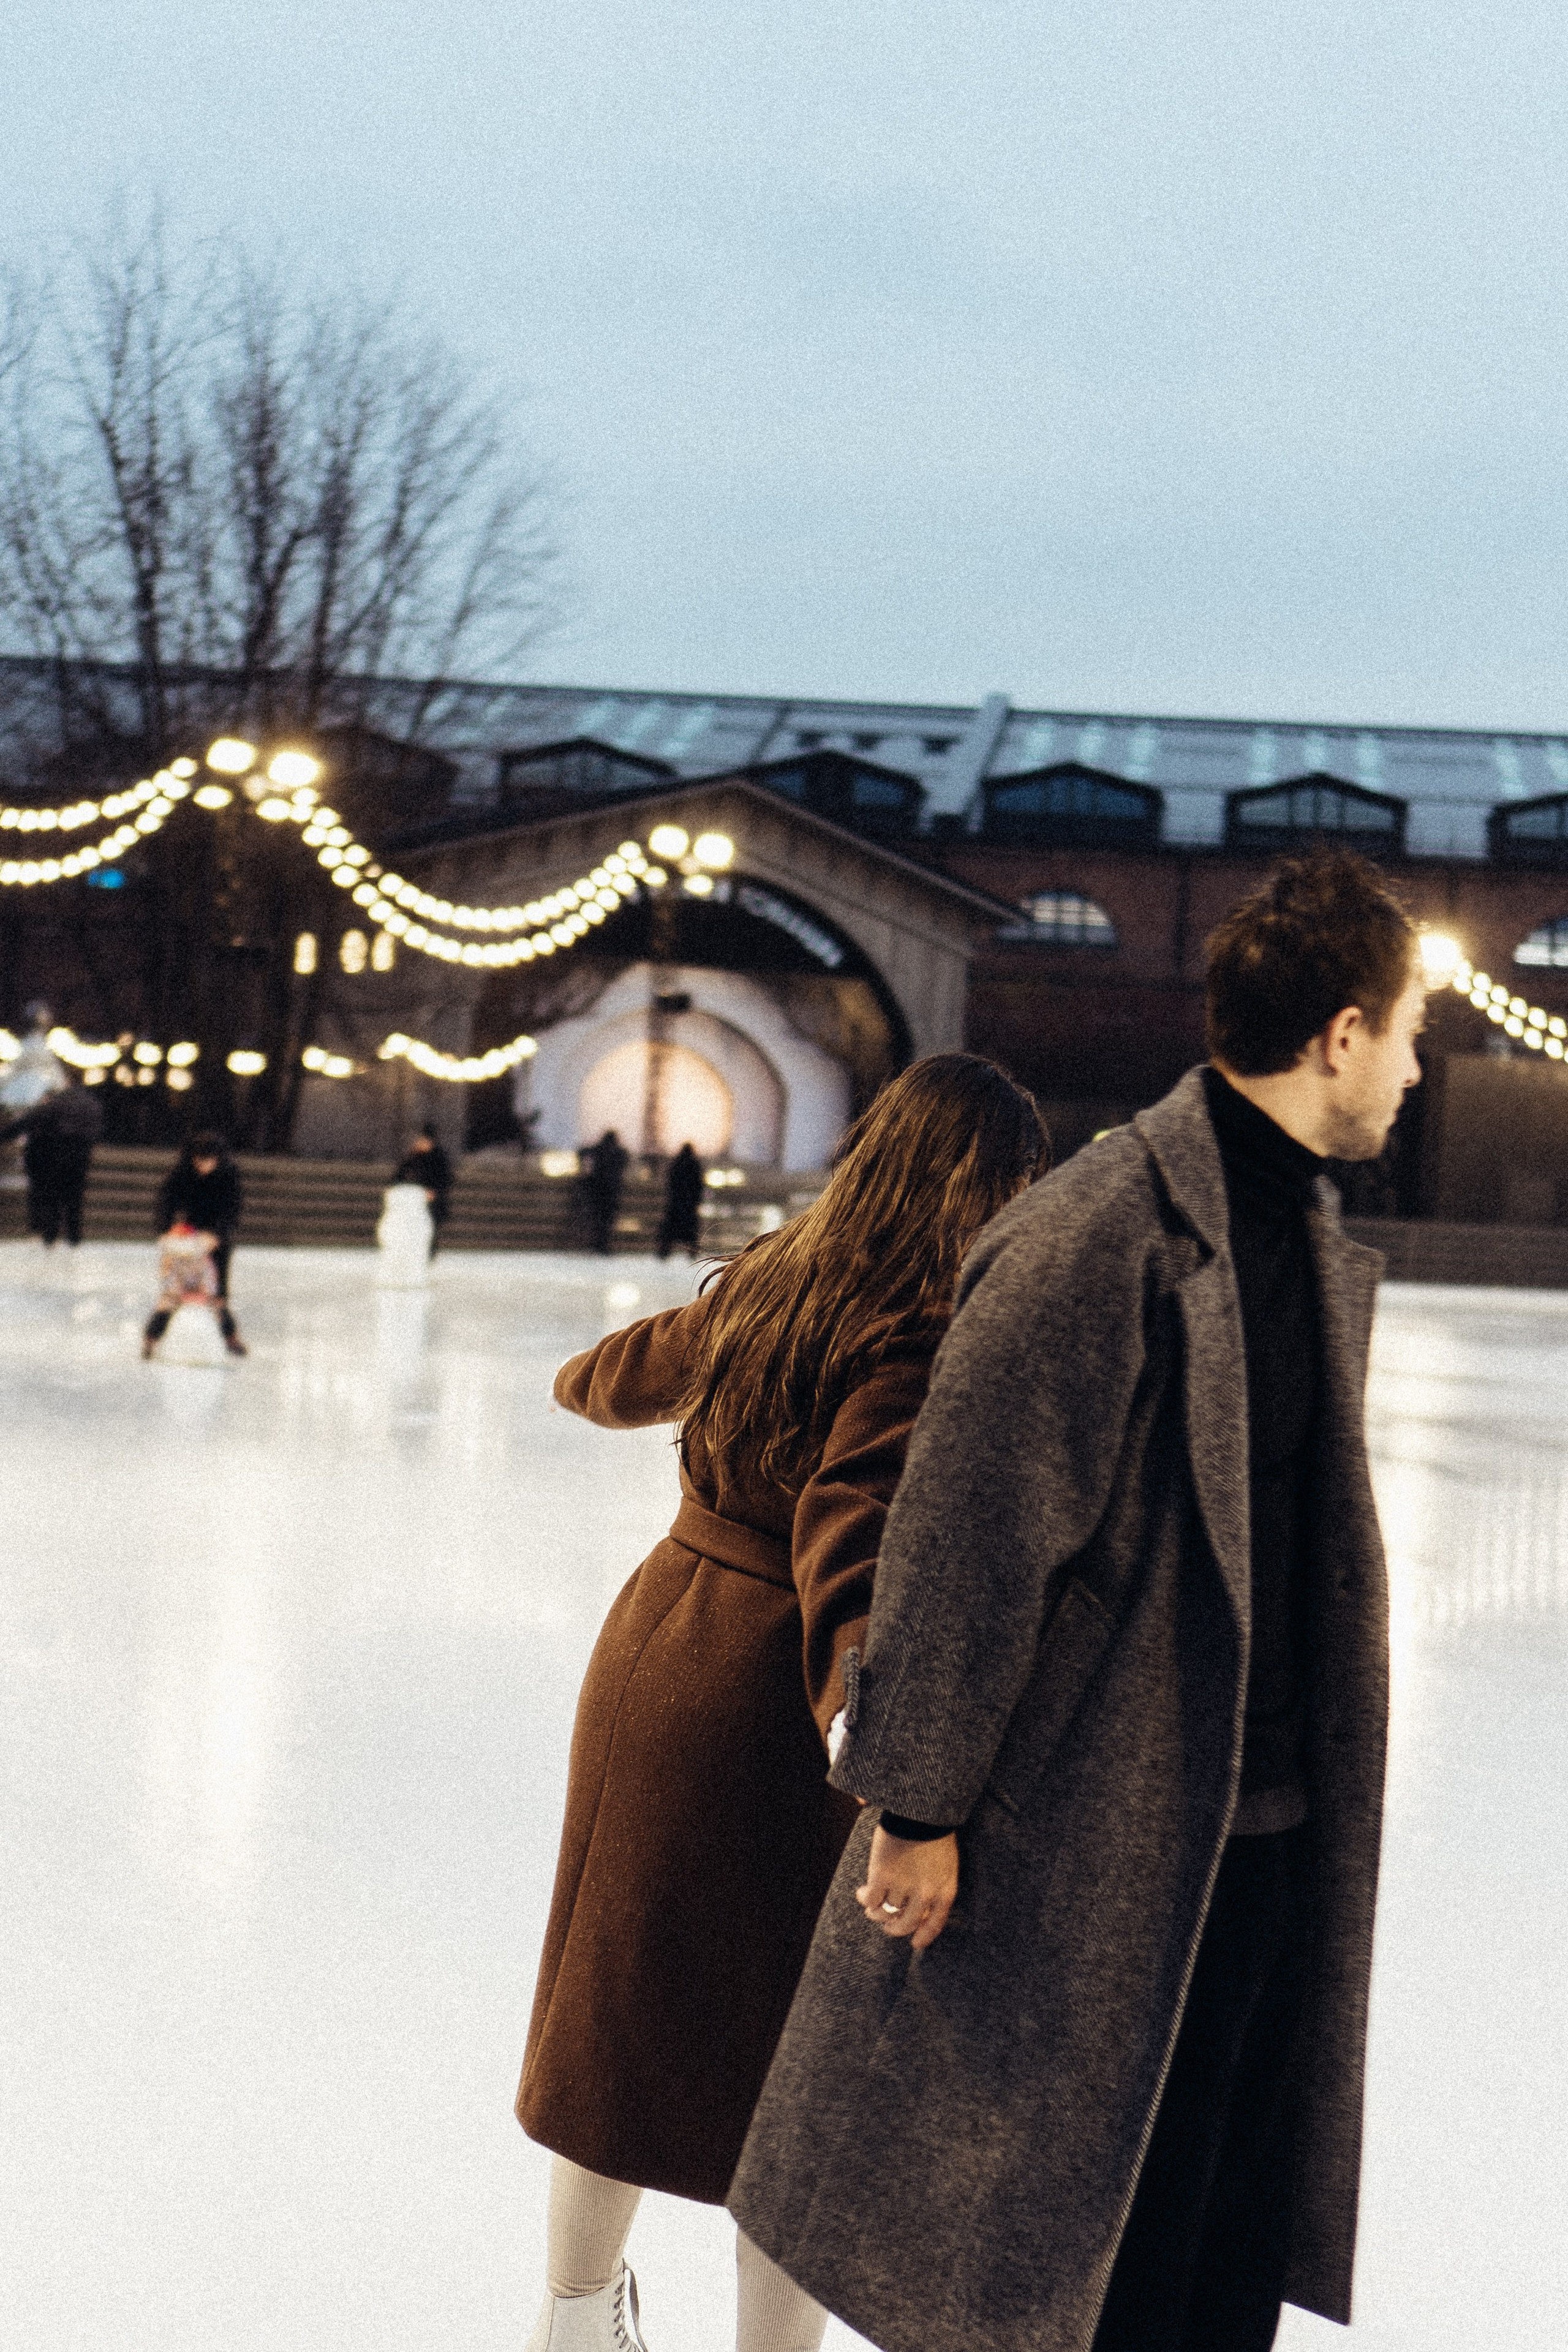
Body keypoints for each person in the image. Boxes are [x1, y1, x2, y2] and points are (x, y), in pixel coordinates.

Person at [730, 850, 1425, 2352]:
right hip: (1107, 1839)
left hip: (1260, 1841)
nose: (1416, 1068)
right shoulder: (1097, 1229)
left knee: (1214, 2253)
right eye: (1411, 1028)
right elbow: (966, 1530)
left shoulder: (1295, 1229)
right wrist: (912, 1805)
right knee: (1086, 2268)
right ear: (1340, 1036)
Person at [518, 1056, 1047, 2352]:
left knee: (621, 2013)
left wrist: (601, 1383)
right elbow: (846, 1529)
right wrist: (863, 1732)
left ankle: (572, 2321)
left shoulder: (775, 1276)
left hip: (655, 1650)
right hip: (763, 1702)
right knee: (803, 2085)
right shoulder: (917, 1328)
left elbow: (605, 1375)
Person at [158, 1134, 247, 1357]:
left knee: (217, 1291)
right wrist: (166, 1230)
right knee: (175, 1289)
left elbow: (233, 1210)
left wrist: (218, 1236)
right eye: (199, 1161)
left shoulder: (230, 1175)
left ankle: (230, 1336)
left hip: (217, 1238)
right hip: (189, 1235)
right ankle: (155, 1336)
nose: (202, 1167)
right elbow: (166, 1200)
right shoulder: (183, 1171)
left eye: (208, 1161)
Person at [0, 1074, 104, 1246]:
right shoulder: (92, 1105)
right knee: (74, 1200)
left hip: (54, 1158)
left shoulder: (57, 1102)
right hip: (80, 1159)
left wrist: (4, 1136)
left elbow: (28, 1121)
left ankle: (50, 1235)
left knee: (52, 1198)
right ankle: (73, 1237)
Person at [141, 1216, 223, 1359]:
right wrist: (179, 1295)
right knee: (163, 1309)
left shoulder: (204, 1261)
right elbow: (168, 1282)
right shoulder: (170, 1261)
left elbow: (210, 1281)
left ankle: (229, 1340)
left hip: (201, 1294)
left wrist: (203, 1295)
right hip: (177, 1294)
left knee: (219, 1309)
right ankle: (150, 1342)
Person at [394, 1123, 454, 1253]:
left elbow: (446, 1179)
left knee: (431, 1227)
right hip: (415, 1197)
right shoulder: (415, 1155)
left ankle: (429, 1252)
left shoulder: (439, 1157)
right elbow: (400, 1174)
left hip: (433, 1199)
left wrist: (435, 1192)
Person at [579, 1128, 629, 1256]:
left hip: (596, 1191)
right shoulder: (619, 1153)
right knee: (607, 1221)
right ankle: (603, 1245)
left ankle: (596, 1244)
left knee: (597, 1220)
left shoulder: (598, 1150)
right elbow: (625, 1161)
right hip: (612, 1192)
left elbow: (583, 1152)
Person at [655, 1141, 704, 1259]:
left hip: (675, 1205)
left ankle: (664, 1254)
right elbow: (699, 1185)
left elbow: (671, 1183)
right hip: (689, 1206)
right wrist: (696, 1200)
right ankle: (692, 1254)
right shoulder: (695, 1165)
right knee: (691, 1233)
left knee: (670, 1231)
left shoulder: (676, 1164)